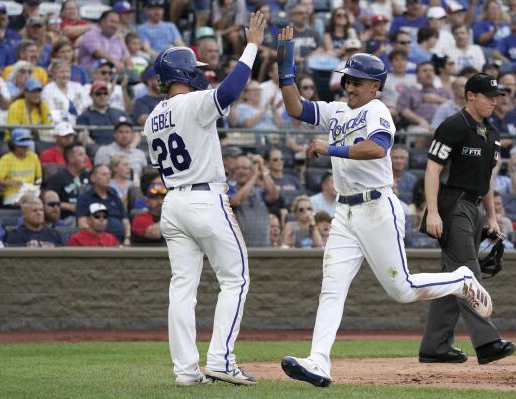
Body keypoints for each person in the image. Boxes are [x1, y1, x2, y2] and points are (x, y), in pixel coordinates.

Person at [276, 27, 493, 388]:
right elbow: (295, 107)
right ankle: (318, 362)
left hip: (377, 208)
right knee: (332, 287)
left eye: (358, 82)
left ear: (375, 86)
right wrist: (286, 67)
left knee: (402, 290)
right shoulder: (336, 111)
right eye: (348, 80)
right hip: (345, 214)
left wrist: (330, 149)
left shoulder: (378, 111)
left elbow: (376, 148)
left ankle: (461, 279)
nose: (350, 86)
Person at [141, 12, 267, 386]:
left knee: (182, 289)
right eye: (193, 68)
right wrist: (253, 46)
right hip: (204, 199)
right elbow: (229, 91)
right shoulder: (193, 102)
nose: (200, 72)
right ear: (182, 74)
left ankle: (185, 371)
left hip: (173, 203)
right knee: (236, 279)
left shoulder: (151, 119)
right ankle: (221, 361)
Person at [419, 73, 516, 366]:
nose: (494, 101)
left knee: (451, 280)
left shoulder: (492, 133)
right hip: (452, 205)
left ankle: (435, 346)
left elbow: (486, 179)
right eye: (488, 96)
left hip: (473, 208)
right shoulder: (453, 125)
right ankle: (487, 343)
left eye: (496, 96)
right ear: (470, 96)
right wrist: (433, 212)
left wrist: (492, 217)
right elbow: (432, 170)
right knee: (467, 272)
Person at [75, 164, 130, 244]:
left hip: (121, 241)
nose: (108, 177)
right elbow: (82, 224)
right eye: (104, 174)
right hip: (99, 242)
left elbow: (125, 220)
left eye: (109, 174)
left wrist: (127, 238)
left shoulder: (114, 195)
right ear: (93, 178)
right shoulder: (84, 199)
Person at [0, 128, 42, 206]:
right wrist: (9, 182)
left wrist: (35, 188)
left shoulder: (34, 157)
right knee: (26, 204)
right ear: (14, 145)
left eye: (26, 146)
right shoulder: (7, 159)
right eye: (21, 146)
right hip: (12, 195)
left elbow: (38, 178)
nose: (25, 149)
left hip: (30, 193)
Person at [44, 143, 90, 220]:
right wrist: (70, 206)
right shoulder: (58, 178)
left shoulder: (89, 176)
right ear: (71, 159)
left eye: (85, 154)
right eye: (81, 155)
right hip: (67, 218)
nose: (86, 158)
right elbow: (49, 202)